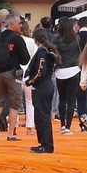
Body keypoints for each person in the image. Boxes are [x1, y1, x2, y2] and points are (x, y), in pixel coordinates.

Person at [0, 13, 27, 141]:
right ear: (12, 24)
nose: (21, 25)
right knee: (15, 102)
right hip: (12, 73)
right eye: (19, 23)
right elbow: (25, 59)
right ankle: (10, 134)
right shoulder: (17, 39)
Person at [22, 26, 59, 154]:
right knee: (42, 115)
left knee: (42, 116)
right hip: (45, 85)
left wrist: (29, 81)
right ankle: (45, 143)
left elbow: (39, 72)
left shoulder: (42, 53)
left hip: (42, 86)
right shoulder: (47, 51)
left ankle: (46, 144)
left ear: (36, 40)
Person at [53, 18, 84, 134]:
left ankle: (62, 125)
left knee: (62, 98)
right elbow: (80, 53)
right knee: (71, 100)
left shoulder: (56, 41)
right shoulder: (76, 39)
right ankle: (68, 126)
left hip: (60, 71)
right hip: (74, 70)